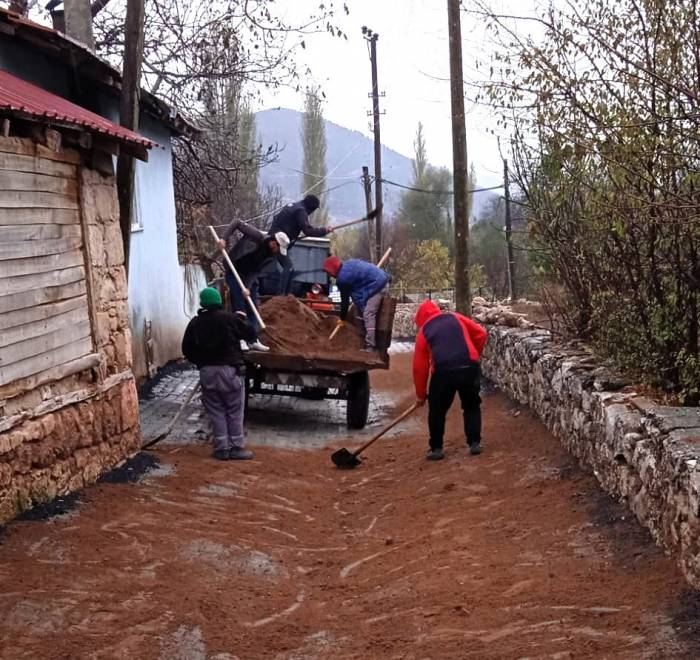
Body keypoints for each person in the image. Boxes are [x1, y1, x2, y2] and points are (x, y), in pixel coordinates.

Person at [182, 287, 257, 461]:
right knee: (234, 409)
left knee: (215, 410)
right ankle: (236, 446)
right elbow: (251, 333)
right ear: (219, 302)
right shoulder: (230, 319)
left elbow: (187, 349)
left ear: (202, 303)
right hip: (230, 370)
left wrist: (201, 363)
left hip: (207, 372)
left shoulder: (195, 323)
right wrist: (243, 318)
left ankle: (221, 448)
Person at [412, 299, 488, 461]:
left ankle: (436, 448)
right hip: (469, 366)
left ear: (420, 319)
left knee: (437, 411)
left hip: (443, 372)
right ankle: (475, 443)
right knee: (471, 405)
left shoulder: (424, 331)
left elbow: (420, 367)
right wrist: (474, 354)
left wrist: (421, 394)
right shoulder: (456, 317)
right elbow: (481, 334)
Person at [217, 220, 290, 351]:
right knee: (239, 306)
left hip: (248, 276)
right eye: (278, 248)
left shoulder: (271, 257)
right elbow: (236, 223)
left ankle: (252, 339)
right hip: (234, 270)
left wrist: (248, 286)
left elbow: (256, 271)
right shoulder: (257, 236)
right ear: (274, 242)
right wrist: (223, 238)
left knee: (253, 309)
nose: (278, 251)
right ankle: (239, 340)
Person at [269, 194, 334, 294]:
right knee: (288, 267)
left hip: (273, 238)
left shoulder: (293, 206)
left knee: (290, 268)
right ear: (311, 208)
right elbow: (308, 231)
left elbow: (276, 218)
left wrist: (292, 235)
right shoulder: (301, 211)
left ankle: (286, 295)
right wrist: (325, 230)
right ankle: (281, 295)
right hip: (277, 241)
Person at [322, 255, 389, 351]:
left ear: (332, 269)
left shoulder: (342, 279)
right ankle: (362, 341)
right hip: (376, 281)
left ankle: (371, 346)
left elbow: (344, 301)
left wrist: (342, 318)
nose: (329, 275)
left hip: (378, 285)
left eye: (328, 272)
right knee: (358, 314)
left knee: (368, 313)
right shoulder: (348, 264)